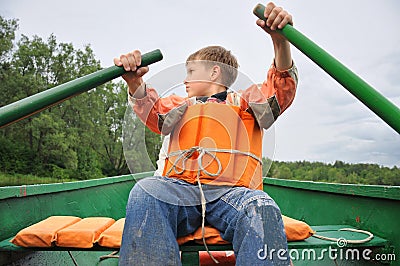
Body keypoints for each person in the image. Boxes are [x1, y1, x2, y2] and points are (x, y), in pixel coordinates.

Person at [114, 2, 297, 265]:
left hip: (234, 193)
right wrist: (135, 82)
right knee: (146, 191)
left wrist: (280, 42)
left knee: (262, 206)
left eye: (191, 71)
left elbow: (279, 92)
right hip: (181, 189)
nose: (185, 79)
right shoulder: (179, 105)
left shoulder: (247, 102)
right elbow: (153, 112)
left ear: (214, 71)